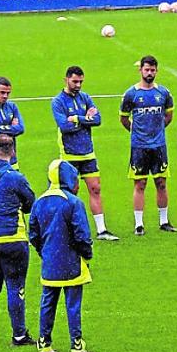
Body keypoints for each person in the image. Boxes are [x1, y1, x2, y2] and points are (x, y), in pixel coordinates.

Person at [29, 159, 94, 352]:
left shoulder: (39, 202)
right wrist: (87, 254)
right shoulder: (73, 202)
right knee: (73, 304)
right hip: (72, 262)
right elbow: (81, 234)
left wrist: (45, 252)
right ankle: (76, 347)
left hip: (50, 263)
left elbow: (33, 234)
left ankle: (44, 345)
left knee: (48, 301)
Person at [0, 134, 36, 346]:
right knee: (15, 286)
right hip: (12, 237)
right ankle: (19, 334)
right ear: (12, 152)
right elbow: (30, 202)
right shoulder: (15, 177)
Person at [52, 66, 118, 241]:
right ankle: (68, 231)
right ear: (66, 79)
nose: (78, 85)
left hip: (88, 153)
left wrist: (77, 118)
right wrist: (86, 119)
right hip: (69, 155)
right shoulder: (58, 101)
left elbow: (97, 120)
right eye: (75, 81)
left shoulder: (85, 98)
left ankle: (102, 230)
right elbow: (64, 126)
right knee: (70, 193)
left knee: (95, 189)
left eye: (81, 81)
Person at [120, 55, 176, 236]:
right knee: (140, 184)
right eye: (147, 70)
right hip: (139, 147)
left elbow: (168, 117)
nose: (150, 73)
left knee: (161, 183)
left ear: (156, 71)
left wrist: (157, 130)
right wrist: (138, 132)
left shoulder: (164, 93)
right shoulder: (131, 94)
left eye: (153, 70)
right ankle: (139, 224)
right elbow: (123, 118)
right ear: (141, 70)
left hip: (159, 146)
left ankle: (164, 221)